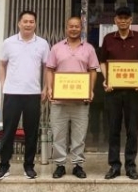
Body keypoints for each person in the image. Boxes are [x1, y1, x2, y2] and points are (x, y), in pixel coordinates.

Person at [0, 10, 50, 180]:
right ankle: (4, 166)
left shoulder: (42, 44)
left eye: (31, 21)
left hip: (33, 94)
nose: (28, 24)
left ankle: (29, 166)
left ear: (35, 24)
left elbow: (47, 68)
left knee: (31, 132)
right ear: (19, 23)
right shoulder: (9, 43)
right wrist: (4, 85)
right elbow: (2, 65)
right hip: (12, 93)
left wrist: (45, 87)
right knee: (8, 131)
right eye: (25, 21)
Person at [45, 16, 99, 180]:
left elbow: (93, 71)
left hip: (80, 101)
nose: (74, 29)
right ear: (66, 28)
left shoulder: (89, 49)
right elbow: (50, 69)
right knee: (58, 134)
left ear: (81, 28)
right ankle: (60, 165)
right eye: (71, 26)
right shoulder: (56, 48)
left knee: (79, 136)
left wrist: (90, 90)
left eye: (77, 26)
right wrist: (50, 88)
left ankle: (77, 165)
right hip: (59, 101)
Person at [100, 6, 138, 180]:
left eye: (126, 18)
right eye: (120, 18)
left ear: (131, 20)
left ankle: (130, 166)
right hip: (113, 91)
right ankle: (114, 166)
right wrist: (107, 79)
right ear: (115, 20)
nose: (123, 21)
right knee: (113, 130)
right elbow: (102, 62)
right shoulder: (108, 38)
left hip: (133, 92)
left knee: (132, 130)